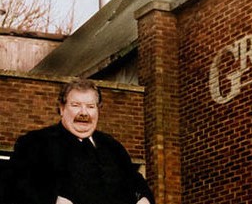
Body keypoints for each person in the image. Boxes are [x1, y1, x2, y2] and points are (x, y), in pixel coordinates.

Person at [5, 79, 155, 204]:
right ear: (62, 108)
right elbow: (13, 189)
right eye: (75, 105)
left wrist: (143, 198)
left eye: (90, 106)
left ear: (98, 110)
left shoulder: (113, 147)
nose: (84, 113)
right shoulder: (35, 144)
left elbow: (136, 184)